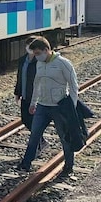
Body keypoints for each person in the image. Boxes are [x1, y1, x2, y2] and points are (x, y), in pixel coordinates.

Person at [18, 36, 80, 178]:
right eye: (35, 54)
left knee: (64, 137)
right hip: (43, 106)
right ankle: (26, 164)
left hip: (59, 107)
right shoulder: (40, 64)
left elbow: (73, 85)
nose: (37, 56)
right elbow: (36, 84)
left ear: (47, 50)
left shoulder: (63, 63)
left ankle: (69, 166)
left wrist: (72, 106)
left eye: (39, 53)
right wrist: (33, 103)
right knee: (34, 135)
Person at [14, 35, 47, 154]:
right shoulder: (23, 60)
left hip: (35, 96)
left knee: (34, 122)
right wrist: (17, 92)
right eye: (28, 45)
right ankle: (41, 141)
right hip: (24, 95)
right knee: (25, 120)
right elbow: (20, 76)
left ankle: (37, 146)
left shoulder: (39, 61)